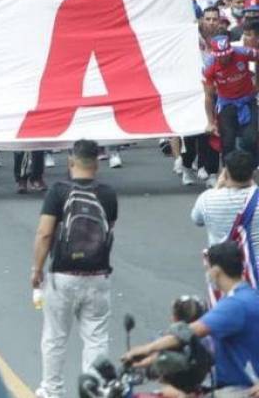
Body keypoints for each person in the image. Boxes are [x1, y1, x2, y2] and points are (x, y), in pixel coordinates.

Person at [30, 139, 118, 398]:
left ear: (71, 161)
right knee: (96, 338)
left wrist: (36, 269)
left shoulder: (58, 191)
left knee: (55, 336)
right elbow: (108, 231)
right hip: (98, 275)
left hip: (63, 275)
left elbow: (45, 234)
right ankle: (93, 391)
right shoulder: (108, 194)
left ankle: (52, 389)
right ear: (97, 164)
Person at [123, 243, 259, 398]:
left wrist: (145, 349)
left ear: (216, 271)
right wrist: (147, 360)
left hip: (238, 389)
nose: (207, 273)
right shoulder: (248, 296)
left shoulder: (234, 304)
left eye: (208, 268)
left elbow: (187, 333)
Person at [203, 36, 259, 158]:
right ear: (215, 54)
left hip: (247, 100)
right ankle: (227, 172)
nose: (225, 58)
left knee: (251, 139)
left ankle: (251, 169)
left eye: (227, 54)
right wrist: (210, 122)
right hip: (226, 104)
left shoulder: (243, 52)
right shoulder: (209, 65)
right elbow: (208, 95)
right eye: (221, 56)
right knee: (227, 143)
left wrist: (257, 82)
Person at [191, 150, 259, 246]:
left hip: (221, 259)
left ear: (226, 173)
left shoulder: (207, 198)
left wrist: (217, 187)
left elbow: (197, 220)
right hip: (253, 259)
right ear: (253, 173)